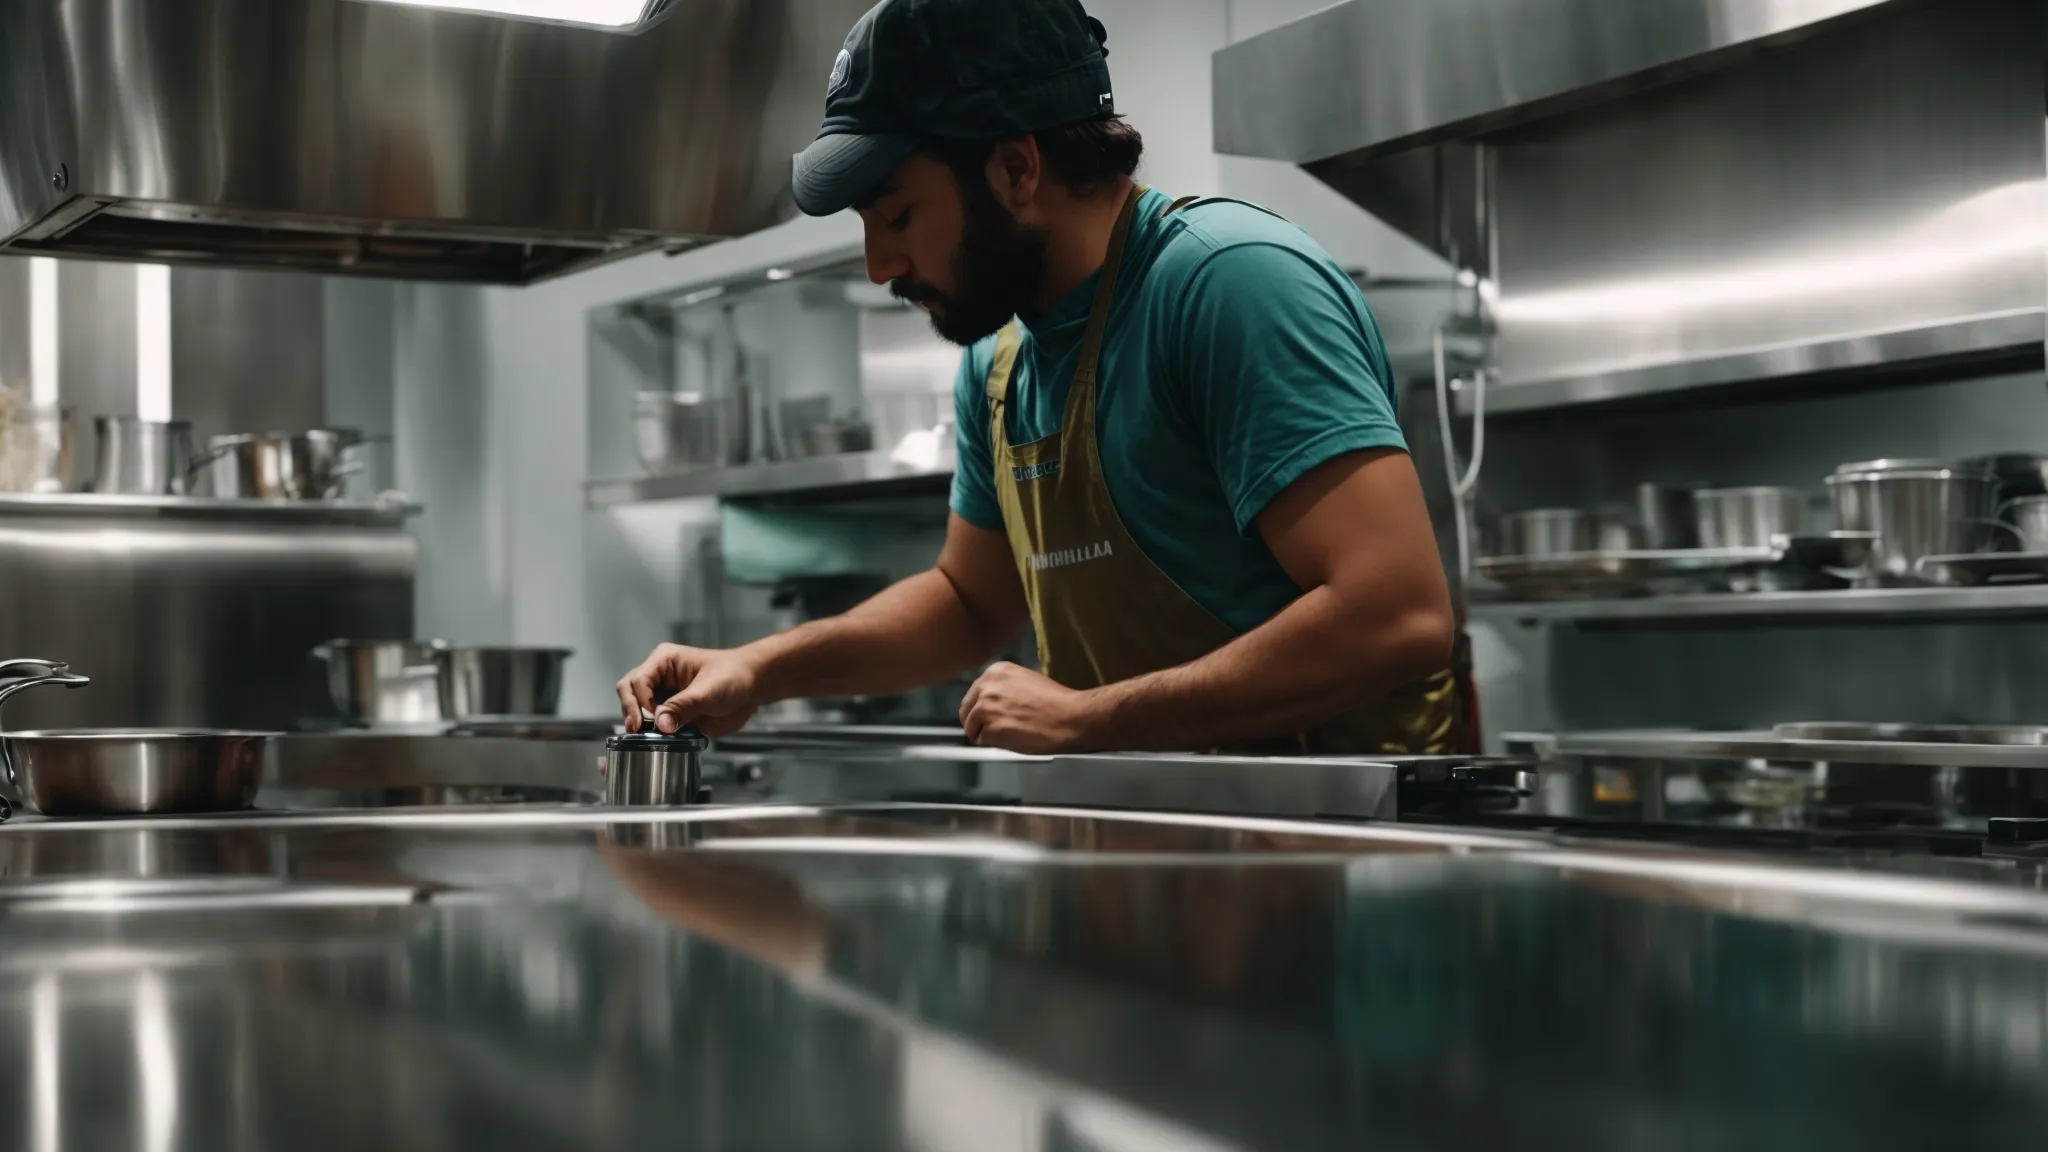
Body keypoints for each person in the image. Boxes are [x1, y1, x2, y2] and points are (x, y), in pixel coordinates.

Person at [617, 0, 1461, 755]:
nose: (879, 265)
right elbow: (968, 603)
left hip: (1346, 859)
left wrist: (1092, 721)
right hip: (1165, 866)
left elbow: (1397, 615)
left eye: (898, 215)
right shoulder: (1000, 358)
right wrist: (757, 668)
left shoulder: (1227, 287)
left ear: (1018, 171)